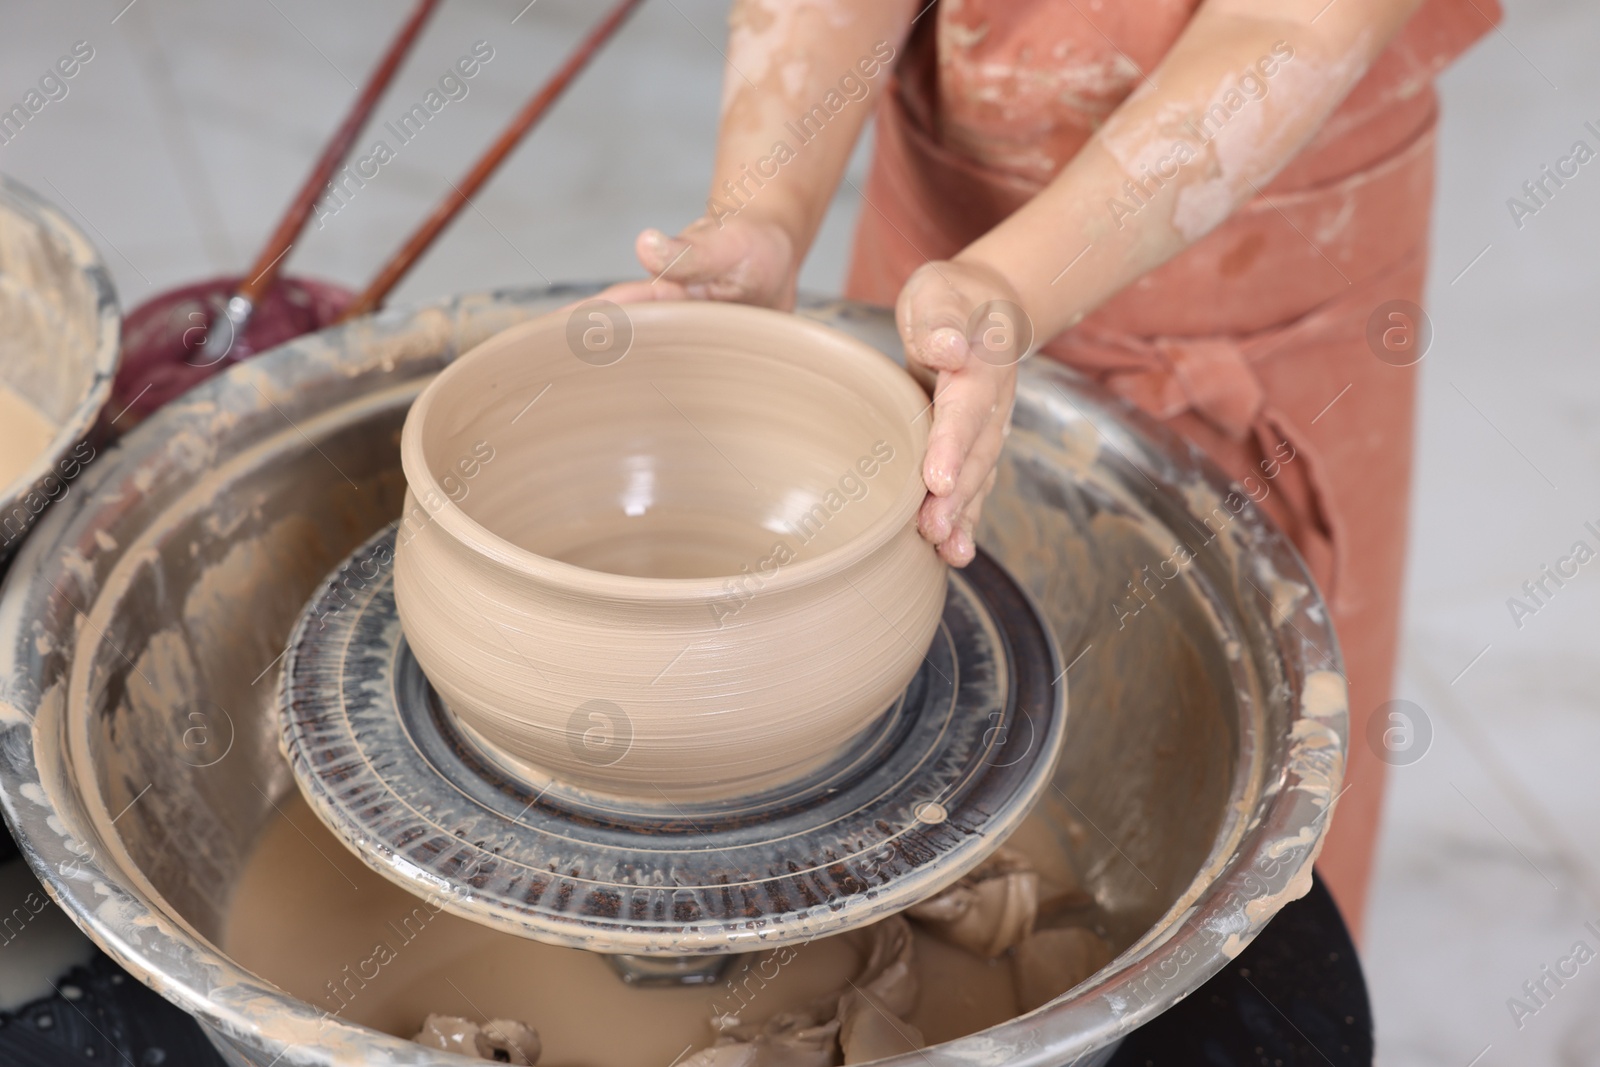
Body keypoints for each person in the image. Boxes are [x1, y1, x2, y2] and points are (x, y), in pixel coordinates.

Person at [601, 0, 1498, 937]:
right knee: (883, 725)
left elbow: (1285, 26)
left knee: (1221, 818)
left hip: (1265, 237)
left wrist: (1012, 289)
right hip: (946, 258)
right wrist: (768, 208)